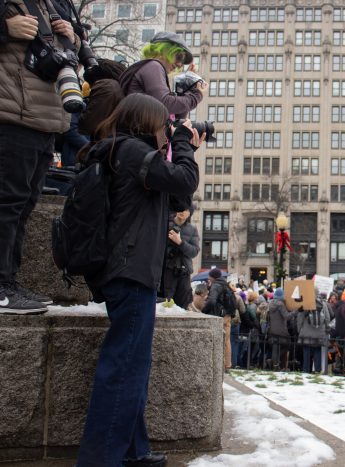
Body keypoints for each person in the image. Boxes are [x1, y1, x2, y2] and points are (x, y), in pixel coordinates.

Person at [76, 94, 201, 467]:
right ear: (146, 121)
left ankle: (134, 450)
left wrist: (179, 146)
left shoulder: (125, 153)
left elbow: (179, 196)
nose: (166, 130)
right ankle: (101, 460)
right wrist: (181, 144)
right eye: (163, 124)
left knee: (134, 366)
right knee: (124, 369)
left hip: (128, 273)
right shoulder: (129, 152)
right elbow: (184, 177)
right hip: (130, 273)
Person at [0, 0, 82, 313]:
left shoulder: (48, 5)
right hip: (12, 114)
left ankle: (8, 281)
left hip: (44, 119)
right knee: (7, 203)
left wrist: (69, 37)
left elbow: (59, 57)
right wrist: (5, 28)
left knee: (22, 206)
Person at [120, 32, 205, 119]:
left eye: (183, 63)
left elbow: (176, 118)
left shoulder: (151, 68)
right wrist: (196, 96)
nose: (180, 64)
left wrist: (187, 87)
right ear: (164, 49)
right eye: (179, 57)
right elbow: (164, 103)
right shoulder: (154, 66)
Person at [161, 208, 200, 308]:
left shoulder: (192, 229)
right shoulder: (164, 223)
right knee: (165, 303)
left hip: (184, 271)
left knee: (183, 304)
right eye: (180, 208)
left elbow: (194, 251)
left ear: (189, 213)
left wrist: (180, 242)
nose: (182, 211)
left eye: (186, 210)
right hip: (166, 270)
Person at [297, 290, 331, 373]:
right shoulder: (323, 304)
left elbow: (300, 318)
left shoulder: (306, 304)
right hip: (319, 333)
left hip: (306, 332)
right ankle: (317, 370)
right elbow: (327, 318)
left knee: (306, 352)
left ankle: (306, 370)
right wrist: (326, 329)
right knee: (317, 351)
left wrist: (299, 330)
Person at [267, 287, 291, 370]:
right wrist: (296, 311)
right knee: (287, 345)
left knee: (275, 347)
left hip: (272, 329)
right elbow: (287, 316)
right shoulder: (280, 304)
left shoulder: (270, 303)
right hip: (281, 331)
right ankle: (275, 362)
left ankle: (274, 364)